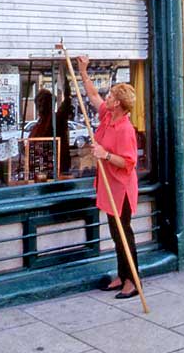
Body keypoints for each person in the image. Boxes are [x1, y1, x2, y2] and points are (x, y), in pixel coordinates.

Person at [77, 55, 140, 299]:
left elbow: (128, 162)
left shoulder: (125, 129)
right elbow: (93, 96)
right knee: (116, 234)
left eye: (112, 96)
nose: (108, 98)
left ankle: (133, 282)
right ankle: (122, 275)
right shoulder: (107, 116)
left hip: (121, 189)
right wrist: (83, 71)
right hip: (107, 185)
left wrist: (105, 154)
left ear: (120, 105)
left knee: (124, 234)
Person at [28, 77, 72, 174]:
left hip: (56, 167)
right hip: (42, 166)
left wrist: (65, 81)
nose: (40, 107)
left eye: (42, 103)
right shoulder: (39, 123)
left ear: (50, 104)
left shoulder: (57, 118)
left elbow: (67, 103)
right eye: (38, 104)